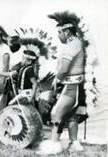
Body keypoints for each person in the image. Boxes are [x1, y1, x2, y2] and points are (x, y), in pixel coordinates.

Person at [37, 11, 89, 154]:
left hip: (71, 85)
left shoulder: (73, 44)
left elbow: (65, 68)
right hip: (73, 85)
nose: (58, 36)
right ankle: (74, 143)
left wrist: (56, 79)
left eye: (59, 32)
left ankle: (53, 146)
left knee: (56, 114)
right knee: (71, 115)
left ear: (66, 32)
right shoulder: (75, 43)